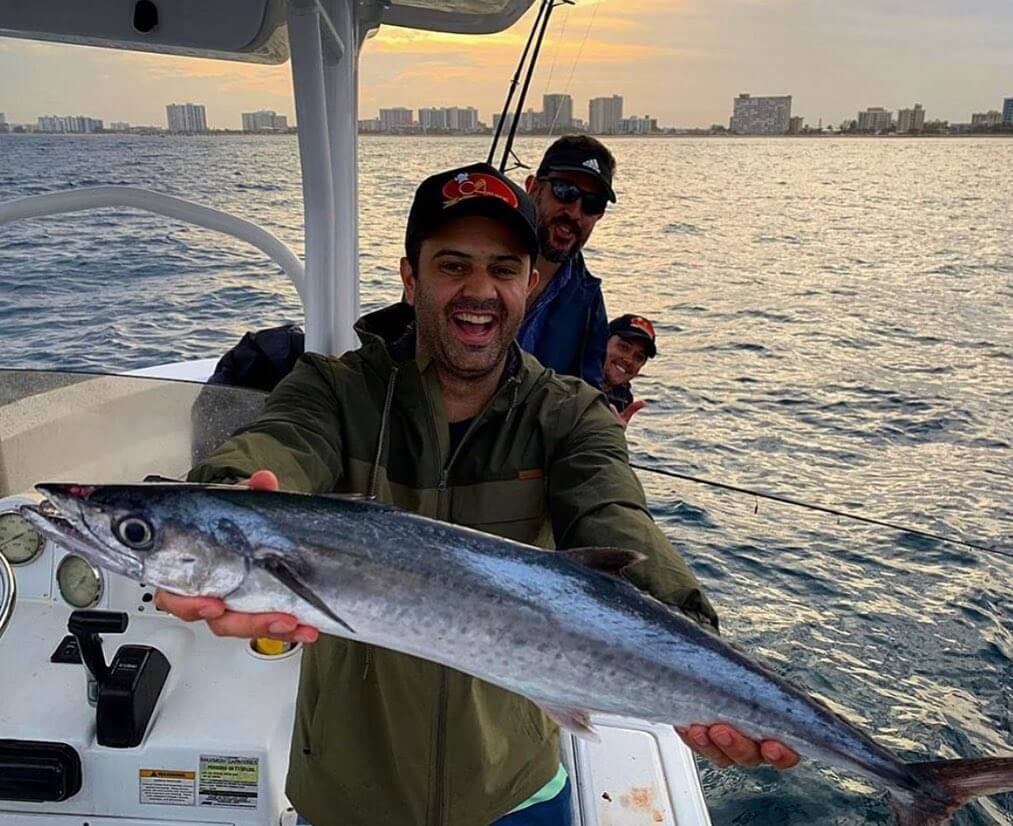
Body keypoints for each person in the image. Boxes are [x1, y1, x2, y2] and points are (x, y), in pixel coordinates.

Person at [158, 162, 798, 826]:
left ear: (530, 283)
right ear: (411, 278)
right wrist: (227, 499)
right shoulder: (334, 392)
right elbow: (280, 444)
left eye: (502, 269)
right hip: (348, 794)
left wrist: (691, 634)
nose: (479, 291)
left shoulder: (568, 414)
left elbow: (614, 515)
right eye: (452, 265)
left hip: (515, 788)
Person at [519, 135, 615, 389]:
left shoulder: (589, 301)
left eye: (592, 204)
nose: (574, 213)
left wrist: (603, 425)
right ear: (533, 188)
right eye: (565, 191)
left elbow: (587, 393)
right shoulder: (475, 259)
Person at [602, 314, 657, 427]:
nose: (629, 360)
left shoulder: (623, 398)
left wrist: (615, 434)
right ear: (602, 342)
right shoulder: (571, 378)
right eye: (623, 347)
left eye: (639, 357)